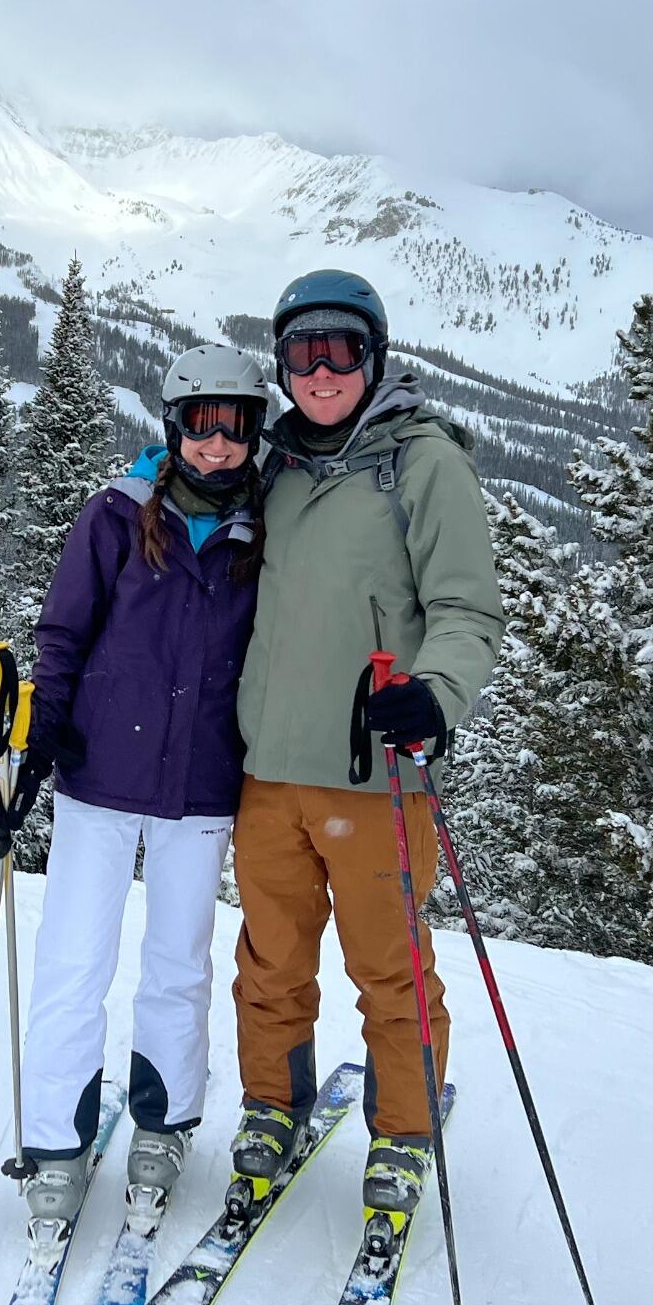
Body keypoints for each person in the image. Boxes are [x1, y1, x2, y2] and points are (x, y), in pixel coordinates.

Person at [227, 269, 503, 1221]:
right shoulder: (277, 467)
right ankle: (273, 1104)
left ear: (374, 355)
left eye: (341, 349)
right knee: (269, 960)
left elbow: (468, 608)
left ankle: (404, 1129)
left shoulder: (422, 463)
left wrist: (436, 693)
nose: (321, 370)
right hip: (268, 773)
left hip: (375, 775)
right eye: (302, 353)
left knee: (389, 968)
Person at [0, 343, 269, 1235]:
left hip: (203, 782)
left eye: (236, 425)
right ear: (173, 424)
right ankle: (56, 1141)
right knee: (75, 956)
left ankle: (164, 1121)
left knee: (179, 961)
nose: (217, 444)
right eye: (201, 423)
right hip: (100, 773)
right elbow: (62, 634)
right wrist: (39, 739)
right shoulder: (114, 514)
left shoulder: (266, 529)